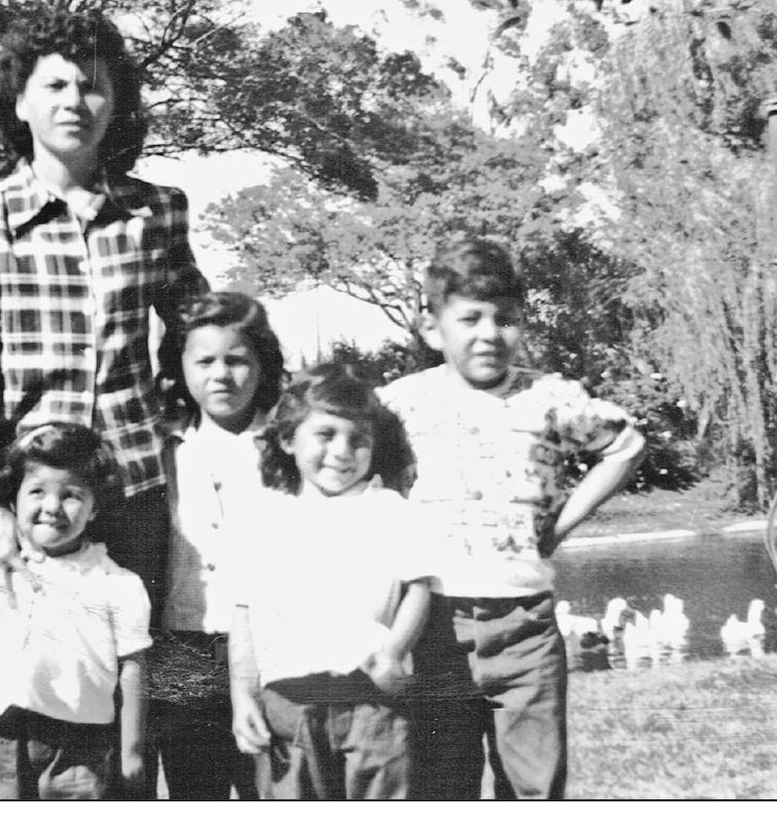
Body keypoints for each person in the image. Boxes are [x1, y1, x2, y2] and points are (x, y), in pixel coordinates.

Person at [0, 8, 208, 610]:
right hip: (17, 492)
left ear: (115, 102)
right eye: (54, 85)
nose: (74, 101)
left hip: (130, 495)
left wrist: (181, 427)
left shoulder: (158, 211)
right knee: (1, 689)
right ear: (20, 102)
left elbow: (198, 336)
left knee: (127, 684)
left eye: (92, 85)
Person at [377, 236, 648, 800]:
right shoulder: (398, 403)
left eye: (506, 320)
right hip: (432, 626)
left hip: (525, 626)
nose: (488, 334)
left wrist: (560, 524)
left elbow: (625, 447)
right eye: (470, 318)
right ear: (433, 329)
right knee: (439, 785)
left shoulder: (548, 397)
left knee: (534, 787)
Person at [227, 365, 433, 800]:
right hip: (289, 700)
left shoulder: (391, 510)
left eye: (358, 440)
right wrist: (242, 697)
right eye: (326, 435)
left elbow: (419, 586)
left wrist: (394, 652)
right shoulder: (262, 519)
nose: (342, 451)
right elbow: (243, 617)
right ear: (287, 439)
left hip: (371, 698)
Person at [0, 424, 151, 799]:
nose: (52, 507)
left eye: (71, 495)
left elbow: (133, 670)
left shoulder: (118, 584)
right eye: (37, 491)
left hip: (80, 746)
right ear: (12, 500)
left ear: (95, 506)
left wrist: (131, 749)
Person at [151, 291, 285, 798]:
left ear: (263, 365)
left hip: (269, 639)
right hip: (184, 640)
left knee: (268, 781)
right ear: (180, 367)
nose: (221, 375)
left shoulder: (285, 445)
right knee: (193, 786)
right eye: (204, 361)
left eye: (237, 360)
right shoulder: (165, 446)